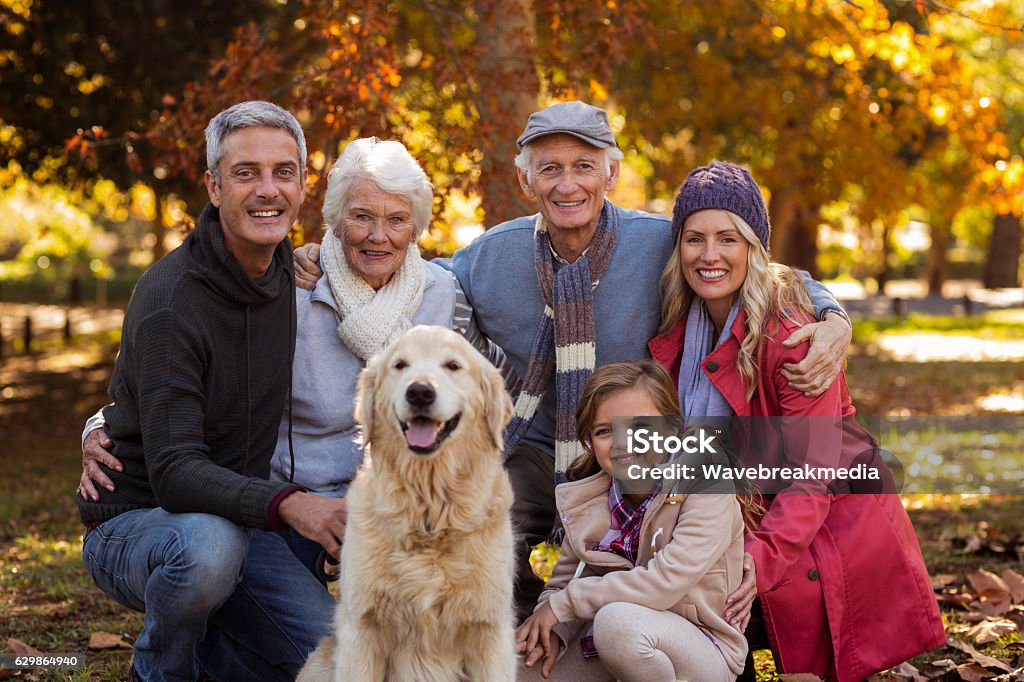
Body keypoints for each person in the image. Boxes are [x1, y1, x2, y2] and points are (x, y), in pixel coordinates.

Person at [292, 101, 854, 622]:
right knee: (480, 526)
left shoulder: (661, 242)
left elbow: (759, 266)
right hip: (533, 444)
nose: (567, 184)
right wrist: (329, 252)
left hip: (640, 447)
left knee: (664, 551)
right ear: (526, 179)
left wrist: (833, 318)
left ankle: (656, 640)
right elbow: (411, 269)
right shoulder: (492, 255)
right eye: (550, 168)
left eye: (584, 166)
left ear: (610, 174)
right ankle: (520, 645)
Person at [80, 136, 517, 580]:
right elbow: (193, 376)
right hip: (290, 506)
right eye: (361, 216)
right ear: (336, 221)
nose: (377, 235)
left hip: (401, 499)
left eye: (397, 219)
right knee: (313, 643)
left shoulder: (443, 295)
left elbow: (485, 387)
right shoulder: (288, 288)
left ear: (416, 226)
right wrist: (102, 425)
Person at [648, 160, 946, 681]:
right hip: (734, 516)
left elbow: (815, 474)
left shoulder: (794, 341)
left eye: (728, 239)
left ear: (755, 248)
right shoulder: (679, 328)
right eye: (695, 239)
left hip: (820, 532)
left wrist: (756, 562)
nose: (710, 255)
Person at [75, 101, 337, 682]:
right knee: (208, 551)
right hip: (143, 522)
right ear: (214, 187)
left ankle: (213, 650)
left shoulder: (283, 273)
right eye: (246, 173)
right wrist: (294, 505)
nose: (268, 190)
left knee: (337, 661)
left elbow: (396, 255)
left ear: (302, 185)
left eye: (284, 172)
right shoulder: (173, 302)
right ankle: (159, 671)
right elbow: (173, 470)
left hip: (237, 518)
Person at [517, 360, 748, 682]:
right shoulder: (589, 500)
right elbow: (564, 583)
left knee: (620, 624)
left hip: (700, 645)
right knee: (519, 669)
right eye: (604, 431)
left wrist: (564, 605)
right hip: (604, 634)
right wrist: (554, 631)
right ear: (589, 442)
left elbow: (664, 583)